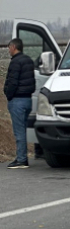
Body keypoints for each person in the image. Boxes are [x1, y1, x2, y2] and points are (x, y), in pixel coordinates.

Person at [3, 39, 36, 169]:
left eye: (9, 48)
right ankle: (35, 153)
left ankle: (21, 159)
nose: (8, 50)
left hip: (17, 100)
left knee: (19, 131)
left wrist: (8, 95)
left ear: (13, 47)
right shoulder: (28, 60)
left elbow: (12, 81)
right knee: (24, 129)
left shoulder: (15, 62)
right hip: (28, 99)